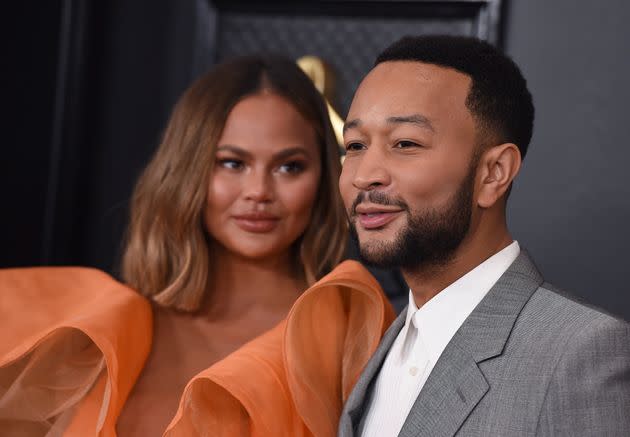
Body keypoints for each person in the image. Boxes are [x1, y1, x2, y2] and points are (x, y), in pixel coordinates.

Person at [0, 55, 395, 436]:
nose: (258, 191)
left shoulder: (348, 332)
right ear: (188, 169)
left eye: (289, 166)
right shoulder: (98, 327)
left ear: (325, 177)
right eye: (232, 163)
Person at [338, 35, 630, 437]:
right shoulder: (374, 343)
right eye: (354, 145)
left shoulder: (578, 353)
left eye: (405, 143)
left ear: (494, 173)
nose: (363, 175)